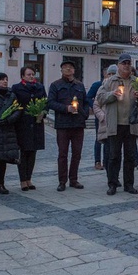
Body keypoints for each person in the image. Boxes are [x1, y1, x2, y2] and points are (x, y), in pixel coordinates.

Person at [96, 53, 138, 195]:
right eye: (123, 63)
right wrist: (113, 94)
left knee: (130, 157)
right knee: (113, 156)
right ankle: (112, 184)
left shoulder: (137, 81)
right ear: (118, 65)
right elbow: (99, 98)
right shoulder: (110, 81)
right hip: (115, 124)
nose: (126, 65)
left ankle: (129, 184)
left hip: (131, 124)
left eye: (128, 63)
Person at [47, 60, 89, 191]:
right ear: (61, 70)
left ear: (74, 70)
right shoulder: (55, 85)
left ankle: (74, 179)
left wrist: (85, 114)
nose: (68, 70)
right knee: (62, 154)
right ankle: (62, 180)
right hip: (63, 125)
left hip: (78, 124)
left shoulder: (80, 85)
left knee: (77, 153)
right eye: (65, 68)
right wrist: (66, 108)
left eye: (70, 68)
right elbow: (51, 103)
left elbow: (86, 102)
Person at [11, 67, 46, 191]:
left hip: (36, 124)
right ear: (22, 76)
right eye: (28, 74)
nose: (32, 76)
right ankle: (22, 180)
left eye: (33, 74)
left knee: (33, 153)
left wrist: (42, 113)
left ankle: (29, 179)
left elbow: (45, 103)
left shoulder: (40, 87)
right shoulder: (16, 88)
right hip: (23, 125)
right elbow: (14, 105)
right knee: (24, 152)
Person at [93, 65, 117, 182]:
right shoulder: (103, 87)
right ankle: (110, 177)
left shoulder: (120, 86)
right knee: (108, 152)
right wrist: (102, 116)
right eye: (110, 74)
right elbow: (96, 105)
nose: (111, 76)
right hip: (106, 124)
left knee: (116, 153)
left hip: (118, 123)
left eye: (114, 74)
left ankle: (115, 177)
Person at [87, 66, 108, 170]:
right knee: (98, 138)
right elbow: (88, 97)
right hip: (100, 116)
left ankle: (106, 161)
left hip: (111, 116)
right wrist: (95, 109)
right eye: (108, 73)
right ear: (104, 74)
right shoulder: (97, 85)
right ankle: (97, 161)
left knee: (108, 139)